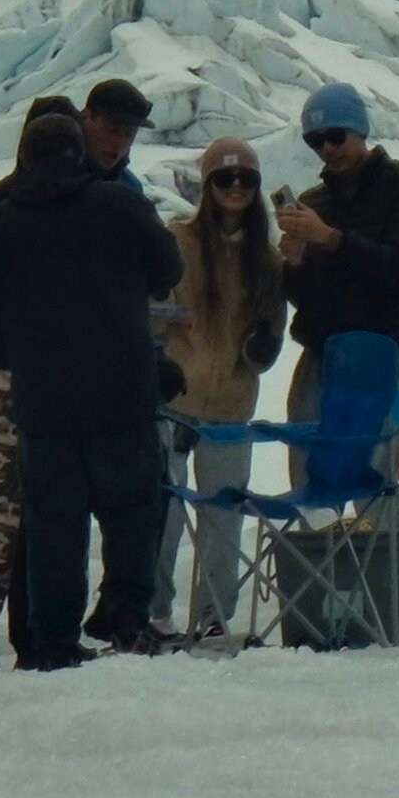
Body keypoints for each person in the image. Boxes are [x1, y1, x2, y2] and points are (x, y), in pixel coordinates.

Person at [0, 79, 181, 663]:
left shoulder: (2, 218)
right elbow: (168, 267)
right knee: (133, 513)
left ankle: (52, 638)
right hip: (121, 395)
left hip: (44, 402)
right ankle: (128, 619)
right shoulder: (119, 203)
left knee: (53, 525)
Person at [266, 81, 399, 516]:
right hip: (324, 347)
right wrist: (298, 261)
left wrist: (329, 237)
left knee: (372, 471)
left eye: (336, 136)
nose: (327, 149)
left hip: (381, 345)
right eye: (315, 141)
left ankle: (380, 579)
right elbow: (305, 296)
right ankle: (320, 575)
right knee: (309, 469)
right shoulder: (314, 201)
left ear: (360, 129)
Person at [163, 136, 288, 649]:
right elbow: (154, 312)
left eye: (245, 180)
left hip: (233, 402)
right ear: (208, 184)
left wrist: (262, 349)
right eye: (224, 178)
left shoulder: (270, 260)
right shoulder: (176, 242)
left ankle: (213, 617)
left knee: (223, 514)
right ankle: (155, 613)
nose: (236, 188)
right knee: (165, 513)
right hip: (175, 400)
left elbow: (274, 332)